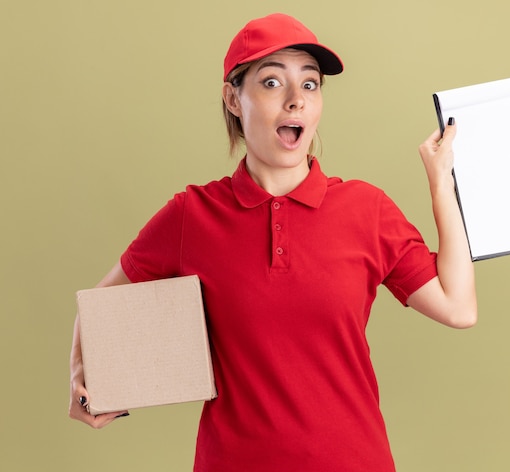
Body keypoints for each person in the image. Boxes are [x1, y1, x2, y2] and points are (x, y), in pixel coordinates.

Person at [68, 12, 477, 471]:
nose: (295, 101)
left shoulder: (367, 209)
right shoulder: (192, 215)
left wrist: (442, 186)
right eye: (270, 83)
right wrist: (82, 377)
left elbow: (458, 307)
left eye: (309, 84)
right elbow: (101, 305)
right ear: (233, 98)